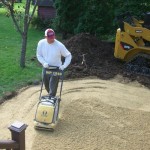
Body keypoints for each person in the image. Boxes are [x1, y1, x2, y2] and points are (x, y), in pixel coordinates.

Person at [36, 28, 72, 97]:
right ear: (45, 37)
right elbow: (39, 55)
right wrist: (43, 63)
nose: (52, 39)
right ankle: (51, 96)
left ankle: (51, 99)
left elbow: (68, 55)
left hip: (56, 69)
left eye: (53, 37)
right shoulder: (41, 43)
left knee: (52, 87)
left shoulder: (59, 45)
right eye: (50, 38)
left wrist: (63, 66)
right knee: (46, 85)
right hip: (46, 68)